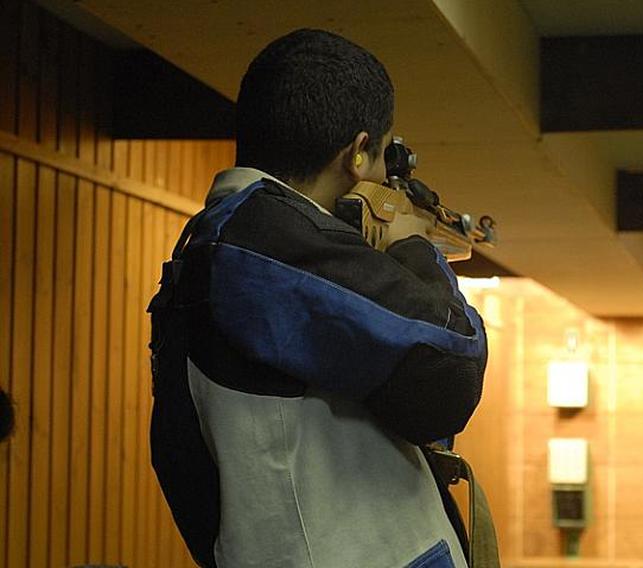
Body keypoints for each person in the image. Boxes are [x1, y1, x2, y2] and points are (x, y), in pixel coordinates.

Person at [148, 28, 488, 568]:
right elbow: (450, 368)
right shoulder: (262, 242)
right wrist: (416, 249)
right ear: (357, 155)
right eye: (379, 159)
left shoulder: (233, 239)